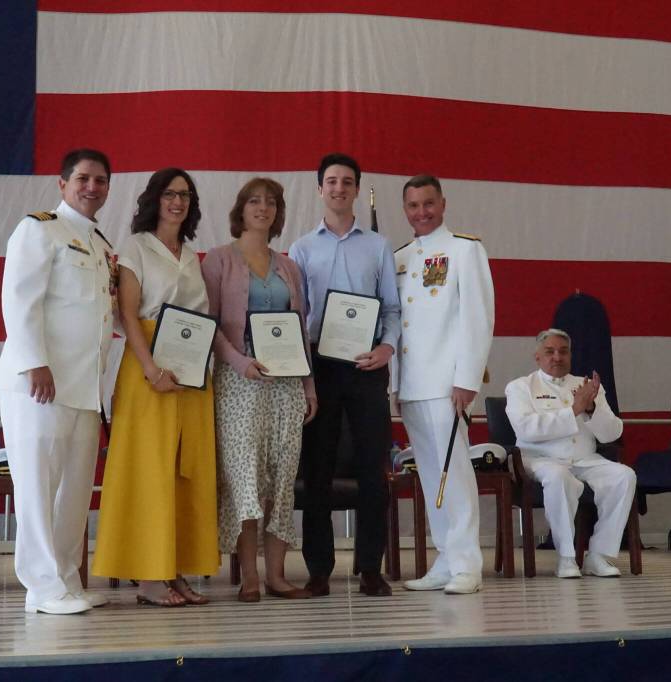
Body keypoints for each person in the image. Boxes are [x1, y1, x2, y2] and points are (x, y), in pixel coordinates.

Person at [0, 148, 116, 614]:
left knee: (75, 490)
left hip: (84, 389)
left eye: (101, 180)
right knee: (38, 487)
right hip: (39, 384)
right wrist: (33, 362)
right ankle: (42, 587)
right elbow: (18, 300)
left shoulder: (100, 244)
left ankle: (65, 579)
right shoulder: (38, 228)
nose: (92, 187)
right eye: (83, 178)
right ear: (62, 184)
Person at [92, 168, 219, 607]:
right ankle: (147, 576)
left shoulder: (190, 253)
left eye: (184, 195)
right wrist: (149, 367)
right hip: (149, 370)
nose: (177, 202)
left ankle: (176, 569)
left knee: (186, 470)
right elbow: (129, 314)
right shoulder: (135, 246)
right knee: (149, 470)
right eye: (169, 194)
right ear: (154, 199)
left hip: (192, 374)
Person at [288, 153, 400, 597]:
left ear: (357, 189)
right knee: (317, 470)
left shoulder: (378, 246)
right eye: (331, 181)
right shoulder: (301, 248)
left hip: (367, 366)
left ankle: (371, 567)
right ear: (319, 189)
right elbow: (298, 314)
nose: (338, 188)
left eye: (347, 181)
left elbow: (391, 308)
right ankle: (319, 570)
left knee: (374, 469)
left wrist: (386, 348)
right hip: (320, 367)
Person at [201, 178, 318, 602]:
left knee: (281, 480)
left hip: (286, 385)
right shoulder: (218, 260)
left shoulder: (289, 266)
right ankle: (249, 576)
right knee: (245, 479)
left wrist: (308, 385)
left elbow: (300, 329)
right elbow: (209, 327)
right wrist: (239, 362)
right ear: (241, 209)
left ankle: (278, 576)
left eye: (271, 202)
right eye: (254, 200)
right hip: (239, 382)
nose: (263, 208)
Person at [394, 175, 494, 595]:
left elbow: (478, 317)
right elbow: (397, 326)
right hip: (412, 384)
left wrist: (467, 379)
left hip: (446, 382)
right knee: (430, 473)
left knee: (454, 473)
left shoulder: (465, 249)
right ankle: (446, 560)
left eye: (429, 203)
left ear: (443, 203)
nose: (422, 212)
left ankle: (468, 563)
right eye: (414, 205)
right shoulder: (400, 257)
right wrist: (394, 386)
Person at [505, 329, 637, 578]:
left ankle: (598, 556)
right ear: (538, 357)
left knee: (624, 476)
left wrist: (591, 408)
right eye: (550, 351)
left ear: (570, 355)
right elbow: (527, 428)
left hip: (585, 459)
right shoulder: (520, 387)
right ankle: (566, 557)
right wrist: (574, 410)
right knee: (558, 476)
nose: (557, 357)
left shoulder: (586, 386)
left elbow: (611, 434)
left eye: (563, 352)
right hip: (541, 459)